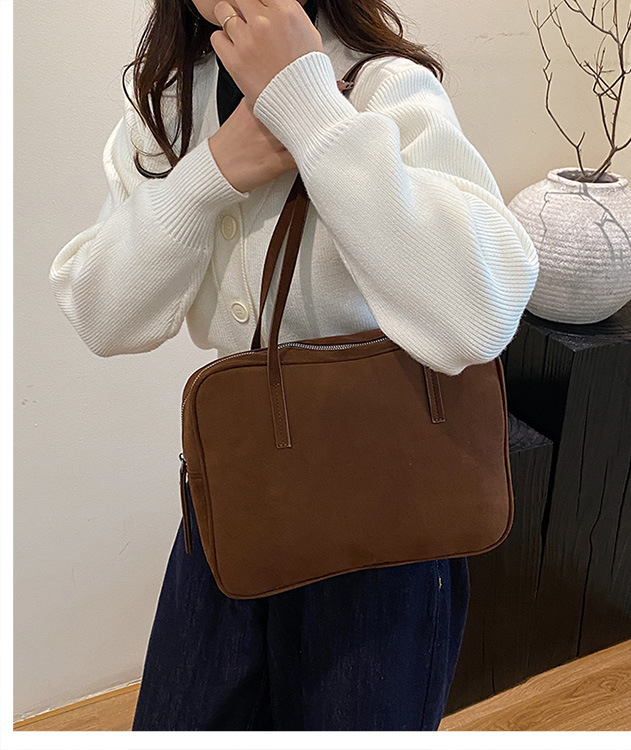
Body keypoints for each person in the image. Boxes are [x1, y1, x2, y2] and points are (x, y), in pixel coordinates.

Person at [48, 0, 539, 732]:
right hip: (236, 509)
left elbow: (479, 310)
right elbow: (101, 315)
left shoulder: (381, 84)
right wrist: (211, 172)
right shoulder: (169, 102)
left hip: (387, 526)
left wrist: (311, 110)